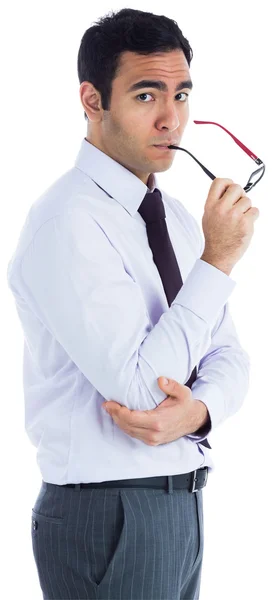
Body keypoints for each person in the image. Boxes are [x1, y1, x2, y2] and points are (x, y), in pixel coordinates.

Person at [6, 7, 259, 600]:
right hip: (109, 514)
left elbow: (232, 358)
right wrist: (218, 262)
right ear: (92, 101)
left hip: (180, 503)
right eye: (147, 94)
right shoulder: (66, 222)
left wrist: (197, 414)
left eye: (182, 94)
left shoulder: (172, 216)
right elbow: (143, 392)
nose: (172, 118)